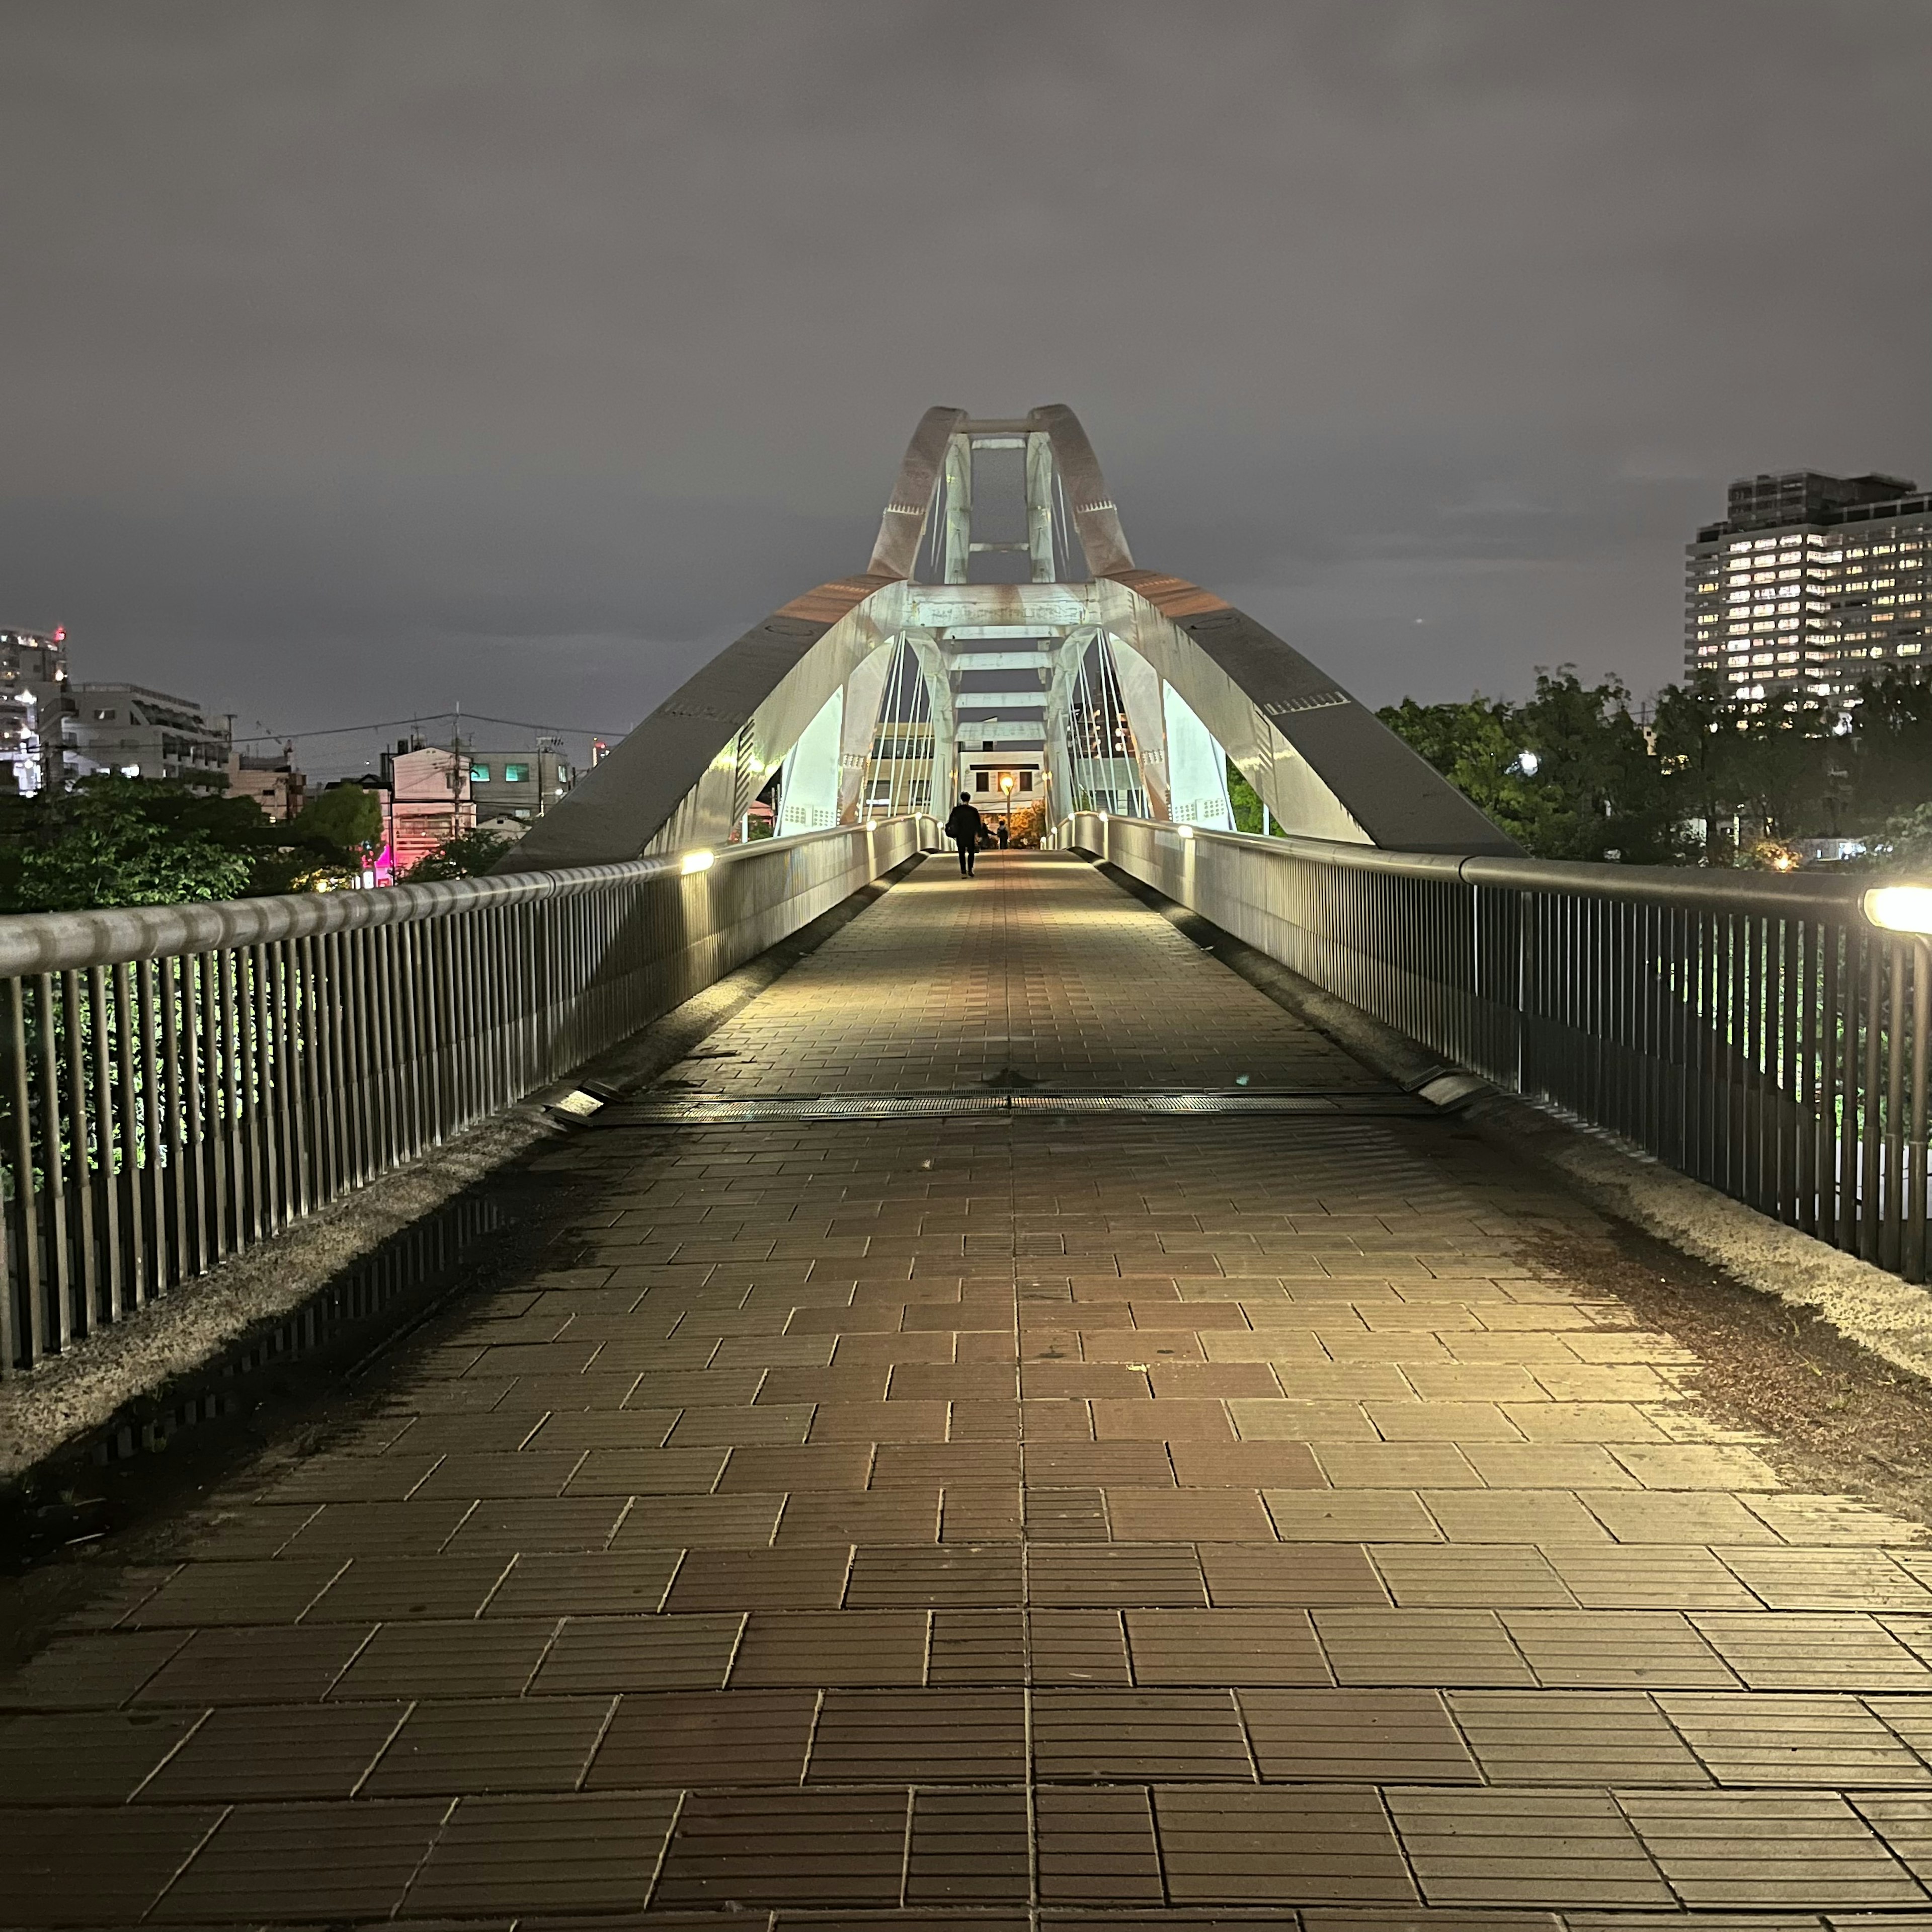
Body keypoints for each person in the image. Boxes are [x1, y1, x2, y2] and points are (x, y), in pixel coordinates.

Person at [943, 791, 984, 876]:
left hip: (960, 834)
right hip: (970, 834)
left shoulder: (956, 810)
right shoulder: (973, 810)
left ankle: (963, 870)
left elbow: (951, 822)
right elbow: (978, 824)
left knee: (961, 853)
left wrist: (948, 829)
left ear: (962, 799)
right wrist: (979, 835)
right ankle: (970, 870)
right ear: (969, 799)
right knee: (971, 852)